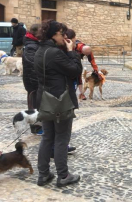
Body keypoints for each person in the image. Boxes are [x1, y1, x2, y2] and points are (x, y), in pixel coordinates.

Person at [34, 20, 82, 187]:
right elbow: (75, 70)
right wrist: (71, 51)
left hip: (44, 99)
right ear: (54, 35)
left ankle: (43, 174)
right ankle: (63, 175)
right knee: (61, 138)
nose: (64, 37)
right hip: (59, 101)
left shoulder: (40, 50)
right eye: (62, 34)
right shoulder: (56, 53)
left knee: (47, 137)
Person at [65, 29, 100, 100]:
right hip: (66, 64)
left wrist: (95, 68)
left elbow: (91, 58)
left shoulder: (80, 46)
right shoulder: (64, 44)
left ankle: (81, 94)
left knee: (78, 76)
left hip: (76, 60)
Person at [22, 24, 43, 134]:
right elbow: (32, 65)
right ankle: (36, 127)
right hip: (33, 82)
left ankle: (39, 125)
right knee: (34, 105)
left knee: (37, 104)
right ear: (36, 33)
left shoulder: (34, 44)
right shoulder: (31, 46)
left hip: (35, 81)